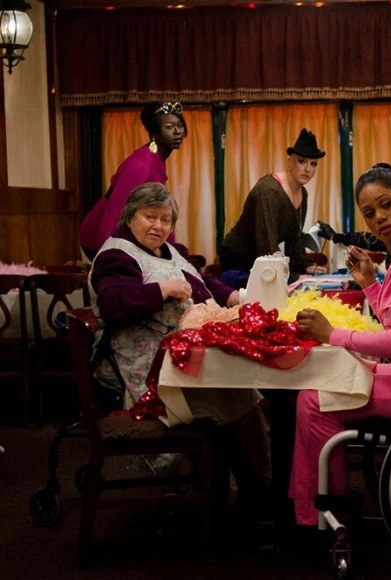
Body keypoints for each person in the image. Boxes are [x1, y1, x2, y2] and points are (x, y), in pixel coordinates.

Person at [289, 163, 391, 530]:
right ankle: (316, 508)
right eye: (370, 213)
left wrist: (333, 334)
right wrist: (368, 284)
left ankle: (330, 513)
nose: (379, 217)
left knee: (314, 401)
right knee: (318, 387)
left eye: (386, 205)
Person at [90, 182, 270, 499]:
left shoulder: (169, 250)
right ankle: (236, 495)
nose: (159, 226)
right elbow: (113, 303)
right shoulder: (115, 256)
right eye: (150, 217)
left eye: (165, 219)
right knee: (227, 398)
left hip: (181, 355)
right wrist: (161, 290)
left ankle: (250, 491)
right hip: (143, 366)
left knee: (241, 390)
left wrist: (235, 297)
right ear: (130, 216)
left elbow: (201, 281)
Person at [79, 101, 187, 260]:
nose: (177, 132)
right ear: (154, 132)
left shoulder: (156, 160)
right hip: (99, 240)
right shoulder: (140, 165)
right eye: (169, 127)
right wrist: (108, 254)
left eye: (180, 126)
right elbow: (115, 213)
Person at [219, 128, 326, 287]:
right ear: (290, 161)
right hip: (238, 257)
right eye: (301, 161)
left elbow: (294, 239)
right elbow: (266, 245)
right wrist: (294, 277)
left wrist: (305, 266)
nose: (307, 169)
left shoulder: (303, 194)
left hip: (263, 257)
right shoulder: (269, 191)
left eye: (313, 164)